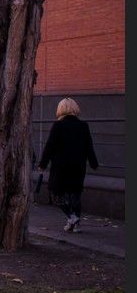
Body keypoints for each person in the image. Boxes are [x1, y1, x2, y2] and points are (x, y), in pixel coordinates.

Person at [38, 98, 98, 233]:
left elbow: (49, 147)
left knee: (56, 194)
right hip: (78, 166)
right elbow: (89, 146)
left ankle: (72, 218)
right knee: (75, 195)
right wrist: (94, 163)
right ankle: (75, 222)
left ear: (60, 109)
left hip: (61, 166)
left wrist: (42, 164)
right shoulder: (83, 126)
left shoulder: (58, 126)